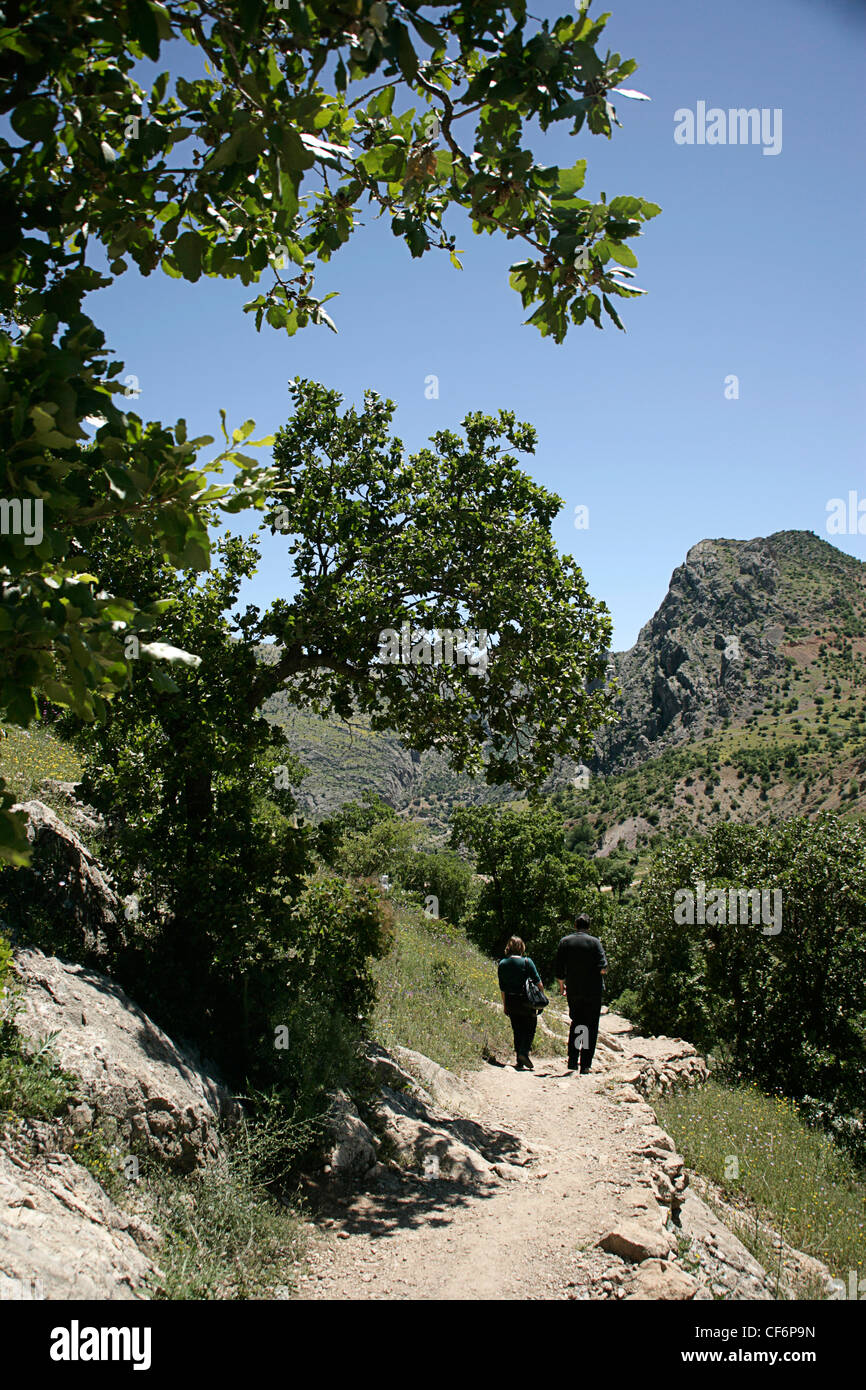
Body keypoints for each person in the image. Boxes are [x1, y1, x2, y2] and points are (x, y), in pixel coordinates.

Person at [555, 913, 608, 1074]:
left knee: (577, 1023)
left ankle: (572, 1060)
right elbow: (603, 968)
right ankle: (585, 1065)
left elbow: (559, 969)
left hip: (574, 990)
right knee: (591, 1026)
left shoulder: (565, 942)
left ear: (575, 925)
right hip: (593, 991)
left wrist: (562, 986)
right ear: (588, 927)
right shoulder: (595, 942)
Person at [497, 935, 543, 1071]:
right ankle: (523, 1052)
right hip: (527, 1001)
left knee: (517, 1030)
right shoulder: (528, 962)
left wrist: (505, 1005)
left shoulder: (502, 964)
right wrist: (541, 999)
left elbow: (502, 988)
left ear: (508, 947)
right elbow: (539, 983)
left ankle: (519, 1059)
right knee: (530, 1028)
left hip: (511, 1000)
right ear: (521, 947)